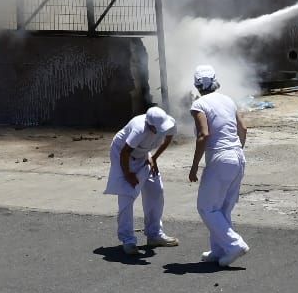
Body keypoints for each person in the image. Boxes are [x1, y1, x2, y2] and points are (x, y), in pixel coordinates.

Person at [187, 65, 249, 267]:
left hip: (221, 159)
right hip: (238, 157)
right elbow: (243, 129)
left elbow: (204, 135)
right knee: (222, 208)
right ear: (215, 81)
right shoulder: (228, 100)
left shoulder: (199, 105)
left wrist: (195, 166)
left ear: (197, 85)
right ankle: (219, 249)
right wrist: (236, 151)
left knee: (206, 207)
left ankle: (234, 245)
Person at [104, 106, 180, 255]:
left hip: (144, 153)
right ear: (149, 124)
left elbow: (168, 138)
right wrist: (128, 175)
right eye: (156, 129)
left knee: (156, 190)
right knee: (127, 194)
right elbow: (125, 152)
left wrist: (154, 158)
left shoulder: (168, 123)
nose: (159, 131)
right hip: (123, 155)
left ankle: (154, 234)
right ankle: (128, 240)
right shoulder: (139, 129)